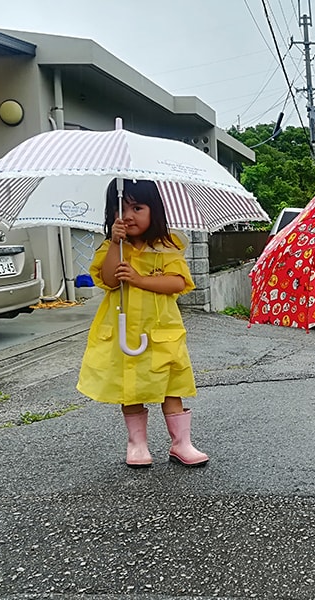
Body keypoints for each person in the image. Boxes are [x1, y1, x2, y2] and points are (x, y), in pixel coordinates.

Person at [77, 179, 208, 469]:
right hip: (125, 331)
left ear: (155, 211)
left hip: (161, 332)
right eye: (120, 208)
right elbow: (109, 280)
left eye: (137, 207)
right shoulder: (111, 247)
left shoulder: (167, 245)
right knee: (130, 387)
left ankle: (181, 443)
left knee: (171, 386)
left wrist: (139, 280)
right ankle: (137, 444)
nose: (128, 215)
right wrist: (115, 243)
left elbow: (177, 282)